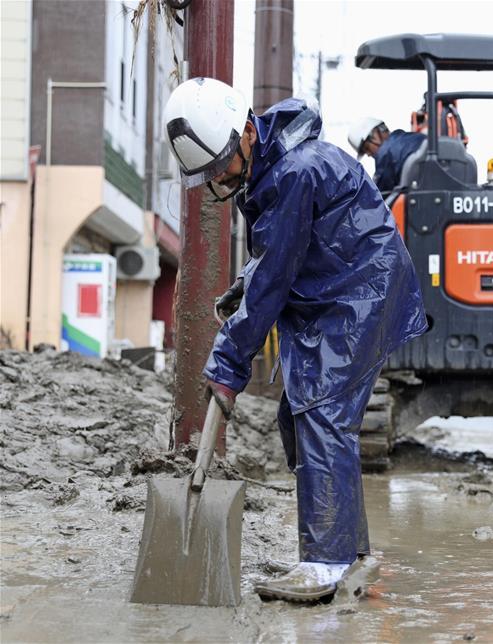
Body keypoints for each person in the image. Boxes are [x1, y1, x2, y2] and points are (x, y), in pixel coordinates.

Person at [163, 78, 428, 601]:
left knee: (322, 415)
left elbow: (277, 274)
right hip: (337, 290)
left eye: (221, 165)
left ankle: (326, 563)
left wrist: (228, 363)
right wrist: (244, 286)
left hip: (356, 296)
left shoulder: (293, 174)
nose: (219, 178)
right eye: (210, 172)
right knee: (301, 416)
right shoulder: (273, 168)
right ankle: (349, 554)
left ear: (245, 134)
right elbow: (275, 256)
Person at [347, 117, 426, 193]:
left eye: (367, 148)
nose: (368, 154)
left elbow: (378, 196)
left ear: (376, 134)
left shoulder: (385, 155)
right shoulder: (413, 138)